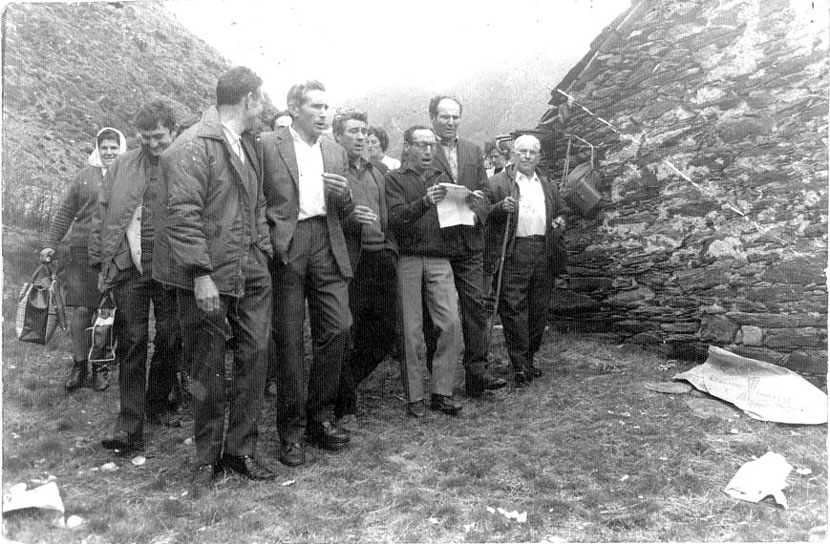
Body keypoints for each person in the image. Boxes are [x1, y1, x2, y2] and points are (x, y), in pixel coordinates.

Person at [155, 66, 275, 490]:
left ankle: (240, 452)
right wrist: (201, 274)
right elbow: (182, 215)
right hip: (208, 275)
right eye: (262, 99)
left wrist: (262, 246)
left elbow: (257, 201)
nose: (263, 108)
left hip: (251, 269)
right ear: (249, 100)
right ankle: (207, 457)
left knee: (256, 358)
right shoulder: (193, 146)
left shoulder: (249, 145)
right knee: (207, 368)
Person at [262, 80, 355, 467]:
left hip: (326, 239)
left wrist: (345, 197)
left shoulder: (334, 150)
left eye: (326, 107)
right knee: (288, 340)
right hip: (287, 243)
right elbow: (256, 199)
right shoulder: (268, 145)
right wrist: (268, 241)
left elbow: (347, 211)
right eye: (315, 106)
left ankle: (320, 417)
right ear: (294, 108)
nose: (323, 113)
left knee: (338, 327)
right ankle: (292, 433)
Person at [89, 101, 181, 454]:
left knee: (171, 338)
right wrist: (102, 263)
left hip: (173, 269)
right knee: (131, 341)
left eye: (159, 136)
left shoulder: (187, 161)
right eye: (146, 137)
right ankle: (128, 424)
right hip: (130, 267)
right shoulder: (123, 166)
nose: (153, 144)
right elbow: (103, 215)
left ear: (172, 130)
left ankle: (156, 402)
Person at [425, 95, 506, 397]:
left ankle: (477, 376)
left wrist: (477, 208)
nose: (450, 122)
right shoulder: (425, 149)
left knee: (475, 307)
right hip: (438, 243)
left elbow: (485, 191)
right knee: (441, 315)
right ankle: (440, 379)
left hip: (470, 241)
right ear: (433, 117)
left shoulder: (472, 150)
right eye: (444, 116)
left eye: (455, 116)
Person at [41, 127, 125, 392]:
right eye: (104, 147)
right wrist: (51, 244)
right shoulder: (84, 176)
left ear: (121, 148)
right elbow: (66, 211)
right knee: (80, 311)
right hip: (80, 251)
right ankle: (79, 366)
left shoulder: (127, 175)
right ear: (98, 149)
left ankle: (100, 365)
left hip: (113, 254)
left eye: (114, 147)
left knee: (106, 313)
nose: (109, 152)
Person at [386, 125, 463, 417]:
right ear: (407, 147)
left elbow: (456, 220)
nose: (428, 151)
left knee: (451, 323)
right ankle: (414, 395)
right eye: (421, 145)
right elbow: (395, 218)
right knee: (411, 329)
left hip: (439, 258)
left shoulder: (444, 179)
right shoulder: (393, 179)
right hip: (407, 259)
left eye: (432, 146)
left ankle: (442, 391)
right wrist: (424, 202)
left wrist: (468, 205)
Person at [331, 110, 399, 424]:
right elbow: (328, 221)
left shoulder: (377, 171)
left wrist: (390, 250)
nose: (360, 137)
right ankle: (343, 402)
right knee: (347, 331)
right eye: (353, 132)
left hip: (380, 258)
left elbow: (386, 219)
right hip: (349, 261)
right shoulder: (332, 171)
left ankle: (343, 385)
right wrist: (349, 219)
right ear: (337, 137)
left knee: (384, 334)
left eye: (364, 131)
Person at [485, 135, 566, 385]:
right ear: (513, 155)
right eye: (523, 152)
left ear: (539, 156)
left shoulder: (547, 183)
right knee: (513, 308)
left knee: (539, 309)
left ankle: (529, 359)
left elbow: (562, 210)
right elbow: (482, 214)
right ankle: (519, 363)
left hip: (543, 250)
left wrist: (561, 221)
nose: (528, 156)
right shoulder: (497, 183)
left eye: (533, 152)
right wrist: (499, 208)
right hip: (513, 252)